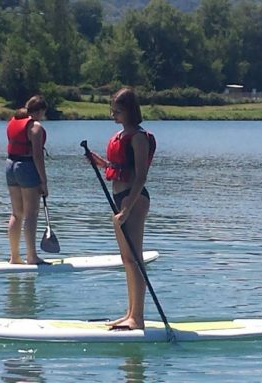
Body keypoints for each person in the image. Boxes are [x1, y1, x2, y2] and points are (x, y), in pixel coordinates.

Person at [88, 87, 156, 330]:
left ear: (129, 110)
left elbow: (141, 176)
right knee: (126, 259)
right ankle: (129, 313)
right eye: (112, 110)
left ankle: (137, 318)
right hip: (121, 199)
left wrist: (128, 207)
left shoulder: (138, 137)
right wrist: (102, 163)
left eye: (117, 111)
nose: (112, 115)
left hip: (133, 200)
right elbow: (120, 166)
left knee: (135, 258)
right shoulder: (121, 135)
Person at [5, 95, 49, 265]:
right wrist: (43, 181)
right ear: (39, 111)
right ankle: (32, 257)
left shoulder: (13, 121)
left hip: (10, 165)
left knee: (17, 213)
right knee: (31, 214)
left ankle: (14, 257)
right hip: (26, 167)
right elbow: (38, 156)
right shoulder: (35, 127)